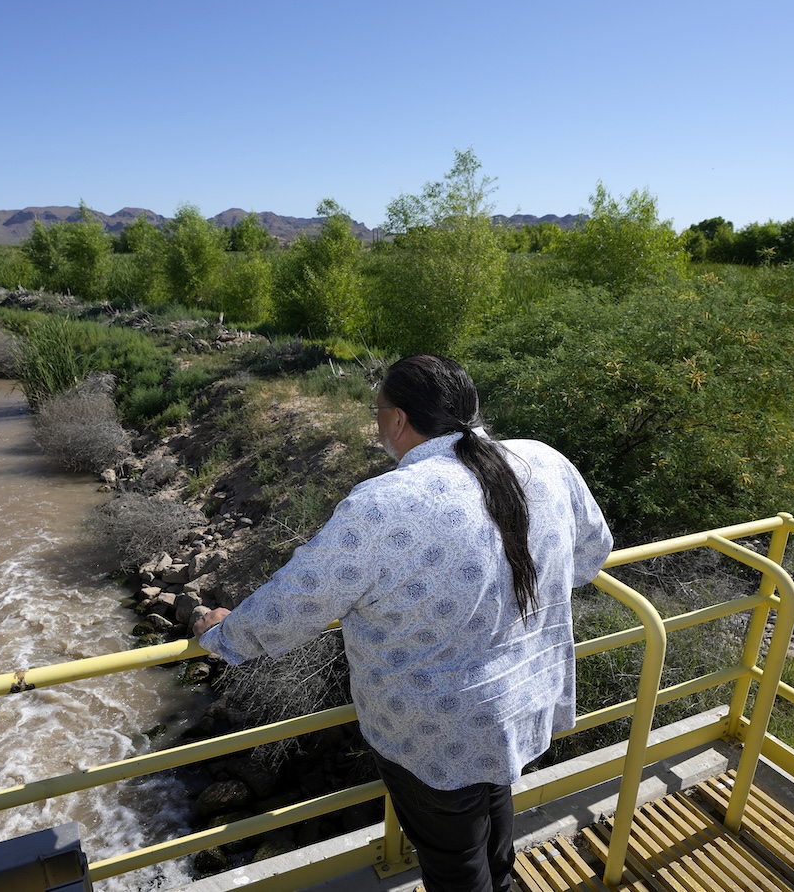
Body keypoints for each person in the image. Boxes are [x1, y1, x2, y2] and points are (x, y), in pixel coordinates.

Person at [193, 354, 612, 892]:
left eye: (377, 414)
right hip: (520, 700)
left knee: (454, 866)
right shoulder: (543, 461)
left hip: (433, 730)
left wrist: (222, 633)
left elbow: (295, 604)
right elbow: (591, 554)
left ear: (396, 420)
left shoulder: (385, 503)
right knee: (494, 823)